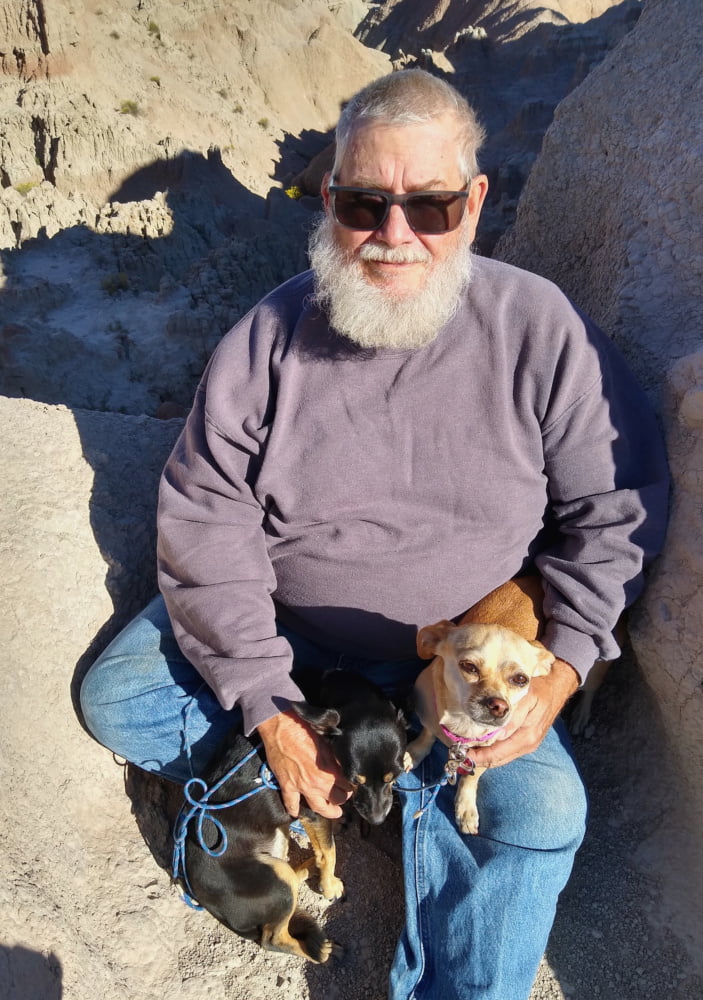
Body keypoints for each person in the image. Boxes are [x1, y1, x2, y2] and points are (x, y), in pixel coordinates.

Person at [80, 69, 669, 1000]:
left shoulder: (538, 330)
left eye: (430, 206)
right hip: (293, 633)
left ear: (474, 204)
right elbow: (207, 515)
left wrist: (560, 669)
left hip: (464, 668)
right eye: (365, 204)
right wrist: (267, 703)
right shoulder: (267, 339)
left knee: (543, 812)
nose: (394, 237)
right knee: (120, 699)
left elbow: (616, 508)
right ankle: (348, 774)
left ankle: (379, 800)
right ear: (328, 201)